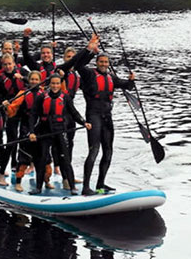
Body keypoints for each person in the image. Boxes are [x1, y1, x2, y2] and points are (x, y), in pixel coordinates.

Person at [71, 33, 135, 195]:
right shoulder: (89, 74)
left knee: (108, 151)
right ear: (97, 62)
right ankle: (86, 187)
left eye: (106, 62)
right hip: (93, 116)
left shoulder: (112, 78)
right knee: (94, 150)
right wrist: (91, 50)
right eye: (101, 62)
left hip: (107, 118)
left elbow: (128, 86)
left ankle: (101, 184)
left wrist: (131, 80)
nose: (104, 64)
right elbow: (78, 65)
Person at [29, 75, 90, 195]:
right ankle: (38, 187)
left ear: (60, 84)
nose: (55, 86)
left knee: (65, 159)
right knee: (42, 159)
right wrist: (31, 132)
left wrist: (84, 122)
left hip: (60, 131)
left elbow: (74, 113)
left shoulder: (65, 97)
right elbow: (33, 115)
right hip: (45, 131)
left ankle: (72, 186)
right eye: (53, 83)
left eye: (57, 84)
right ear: (49, 84)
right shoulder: (42, 97)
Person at [5, 70, 44, 192]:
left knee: (43, 156)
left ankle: (45, 181)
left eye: (36, 80)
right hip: (26, 126)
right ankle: (18, 182)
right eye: (32, 79)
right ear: (29, 81)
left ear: (40, 81)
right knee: (23, 156)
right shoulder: (23, 94)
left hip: (40, 127)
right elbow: (12, 110)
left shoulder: (44, 94)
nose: (34, 82)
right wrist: (7, 106)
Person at [0, 54, 26, 185]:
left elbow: (35, 81)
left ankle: (19, 171)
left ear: (14, 64)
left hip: (24, 112)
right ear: (2, 65)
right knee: (10, 143)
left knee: (24, 141)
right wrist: (2, 103)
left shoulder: (22, 73)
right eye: (5, 64)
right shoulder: (0, 80)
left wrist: (22, 78)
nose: (8, 66)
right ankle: (2, 174)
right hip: (11, 113)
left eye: (10, 64)